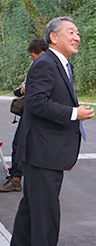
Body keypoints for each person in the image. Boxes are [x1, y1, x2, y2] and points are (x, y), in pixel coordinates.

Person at [11, 17, 94, 246]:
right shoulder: (45, 62)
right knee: (45, 217)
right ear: (53, 37)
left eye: (77, 32)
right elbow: (36, 103)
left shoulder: (62, 63)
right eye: (71, 32)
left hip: (48, 153)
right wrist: (75, 113)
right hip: (42, 154)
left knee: (32, 211)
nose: (77, 37)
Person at [0, 39, 48, 192]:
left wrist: (29, 88)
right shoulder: (41, 66)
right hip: (35, 113)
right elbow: (19, 89)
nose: (32, 60)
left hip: (35, 113)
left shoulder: (43, 67)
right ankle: (19, 178)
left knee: (20, 145)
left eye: (32, 56)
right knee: (25, 145)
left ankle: (16, 179)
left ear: (41, 54)